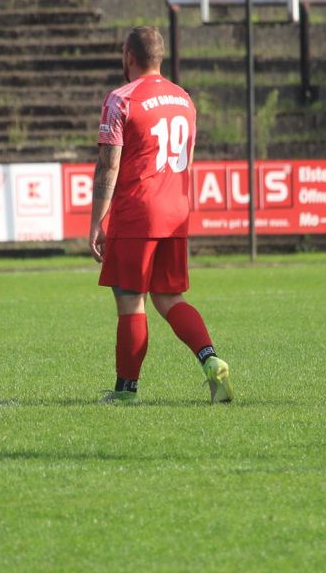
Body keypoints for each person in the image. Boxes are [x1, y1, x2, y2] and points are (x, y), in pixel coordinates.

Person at [89, 26, 233, 405]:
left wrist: (97, 220)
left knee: (130, 301)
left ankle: (126, 391)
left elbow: (108, 166)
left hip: (138, 210)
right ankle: (211, 359)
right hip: (176, 210)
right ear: (160, 57)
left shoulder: (121, 99)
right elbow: (186, 159)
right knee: (169, 297)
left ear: (128, 56)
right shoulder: (184, 99)